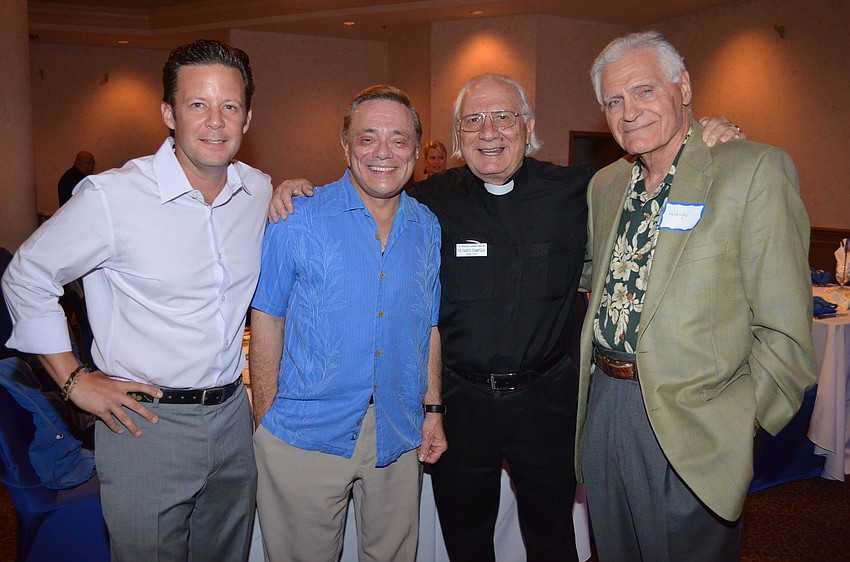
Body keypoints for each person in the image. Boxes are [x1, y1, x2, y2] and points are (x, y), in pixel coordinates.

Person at [269, 76, 742, 561]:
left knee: (551, 535)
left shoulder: (581, 190)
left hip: (547, 405)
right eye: (472, 121)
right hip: (460, 404)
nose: (488, 132)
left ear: (529, 126)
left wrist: (702, 132)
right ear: (457, 136)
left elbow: (650, 169)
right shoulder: (429, 201)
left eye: (503, 118)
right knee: (465, 539)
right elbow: (370, 183)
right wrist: (293, 188)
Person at [2, 39, 270, 561]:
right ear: (169, 113)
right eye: (198, 105)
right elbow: (25, 275)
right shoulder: (113, 197)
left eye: (229, 106)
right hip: (146, 424)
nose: (215, 121)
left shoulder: (257, 190)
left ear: (247, 117)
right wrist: (75, 381)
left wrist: (293, 190)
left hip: (234, 418)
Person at [575, 31, 817, 561]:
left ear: (682, 86)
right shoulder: (606, 185)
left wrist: (738, 425)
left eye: (643, 91)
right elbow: (596, 277)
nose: (628, 112)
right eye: (613, 101)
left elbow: (786, 328)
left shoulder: (751, 170)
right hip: (607, 407)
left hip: (695, 420)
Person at [250, 85, 446, 561]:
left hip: (398, 434)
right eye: (368, 138)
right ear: (345, 146)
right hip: (304, 434)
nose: (383, 153)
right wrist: (268, 418)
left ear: (416, 153)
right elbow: (267, 317)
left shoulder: (427, 227)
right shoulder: (296, 218)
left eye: (399, 140)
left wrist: (433, 409)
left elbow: (430, 326)